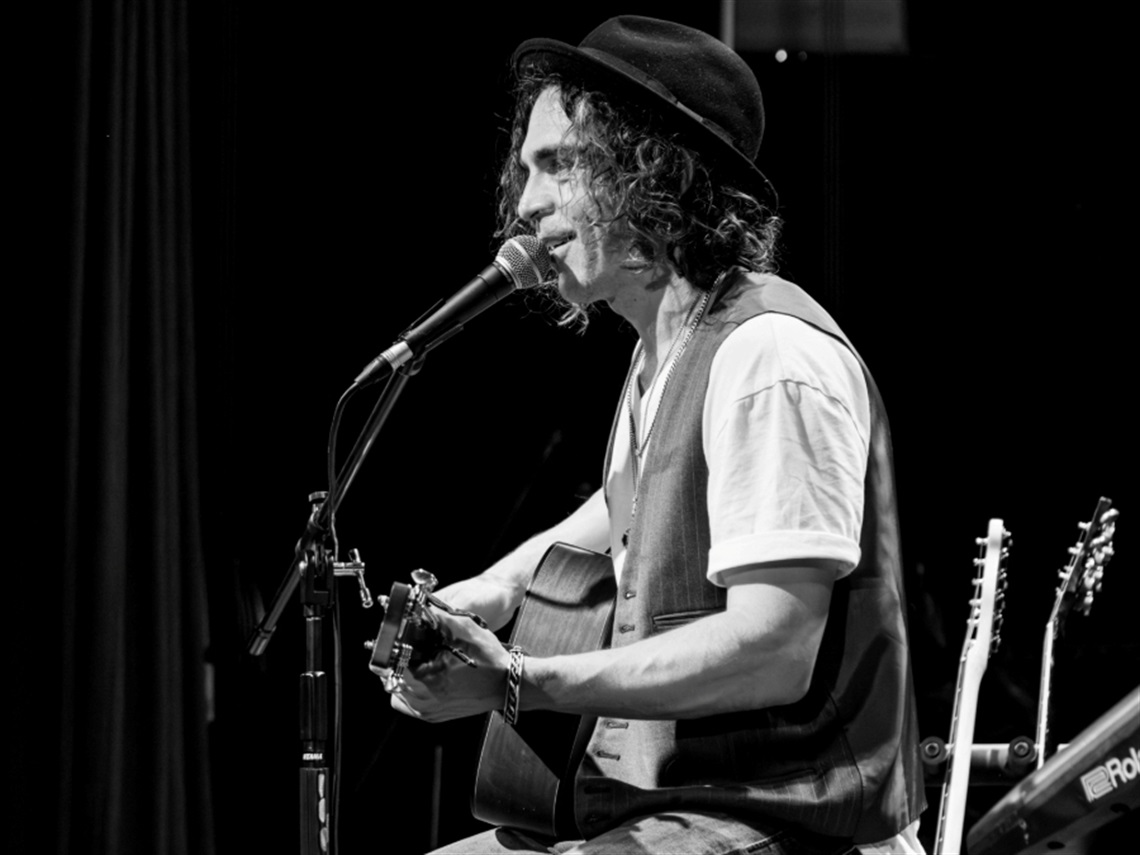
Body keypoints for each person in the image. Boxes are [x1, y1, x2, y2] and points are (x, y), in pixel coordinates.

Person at [375, 16, 926, 855]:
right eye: (525, 170)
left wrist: (523, 679)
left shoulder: (766, 357)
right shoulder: (664, 354)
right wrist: (492, 586)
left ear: (653, 171)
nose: (524, 204)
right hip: (674, 813)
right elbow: (633, 498)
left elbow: (774, 645)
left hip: (781, 820)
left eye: (558, 165)